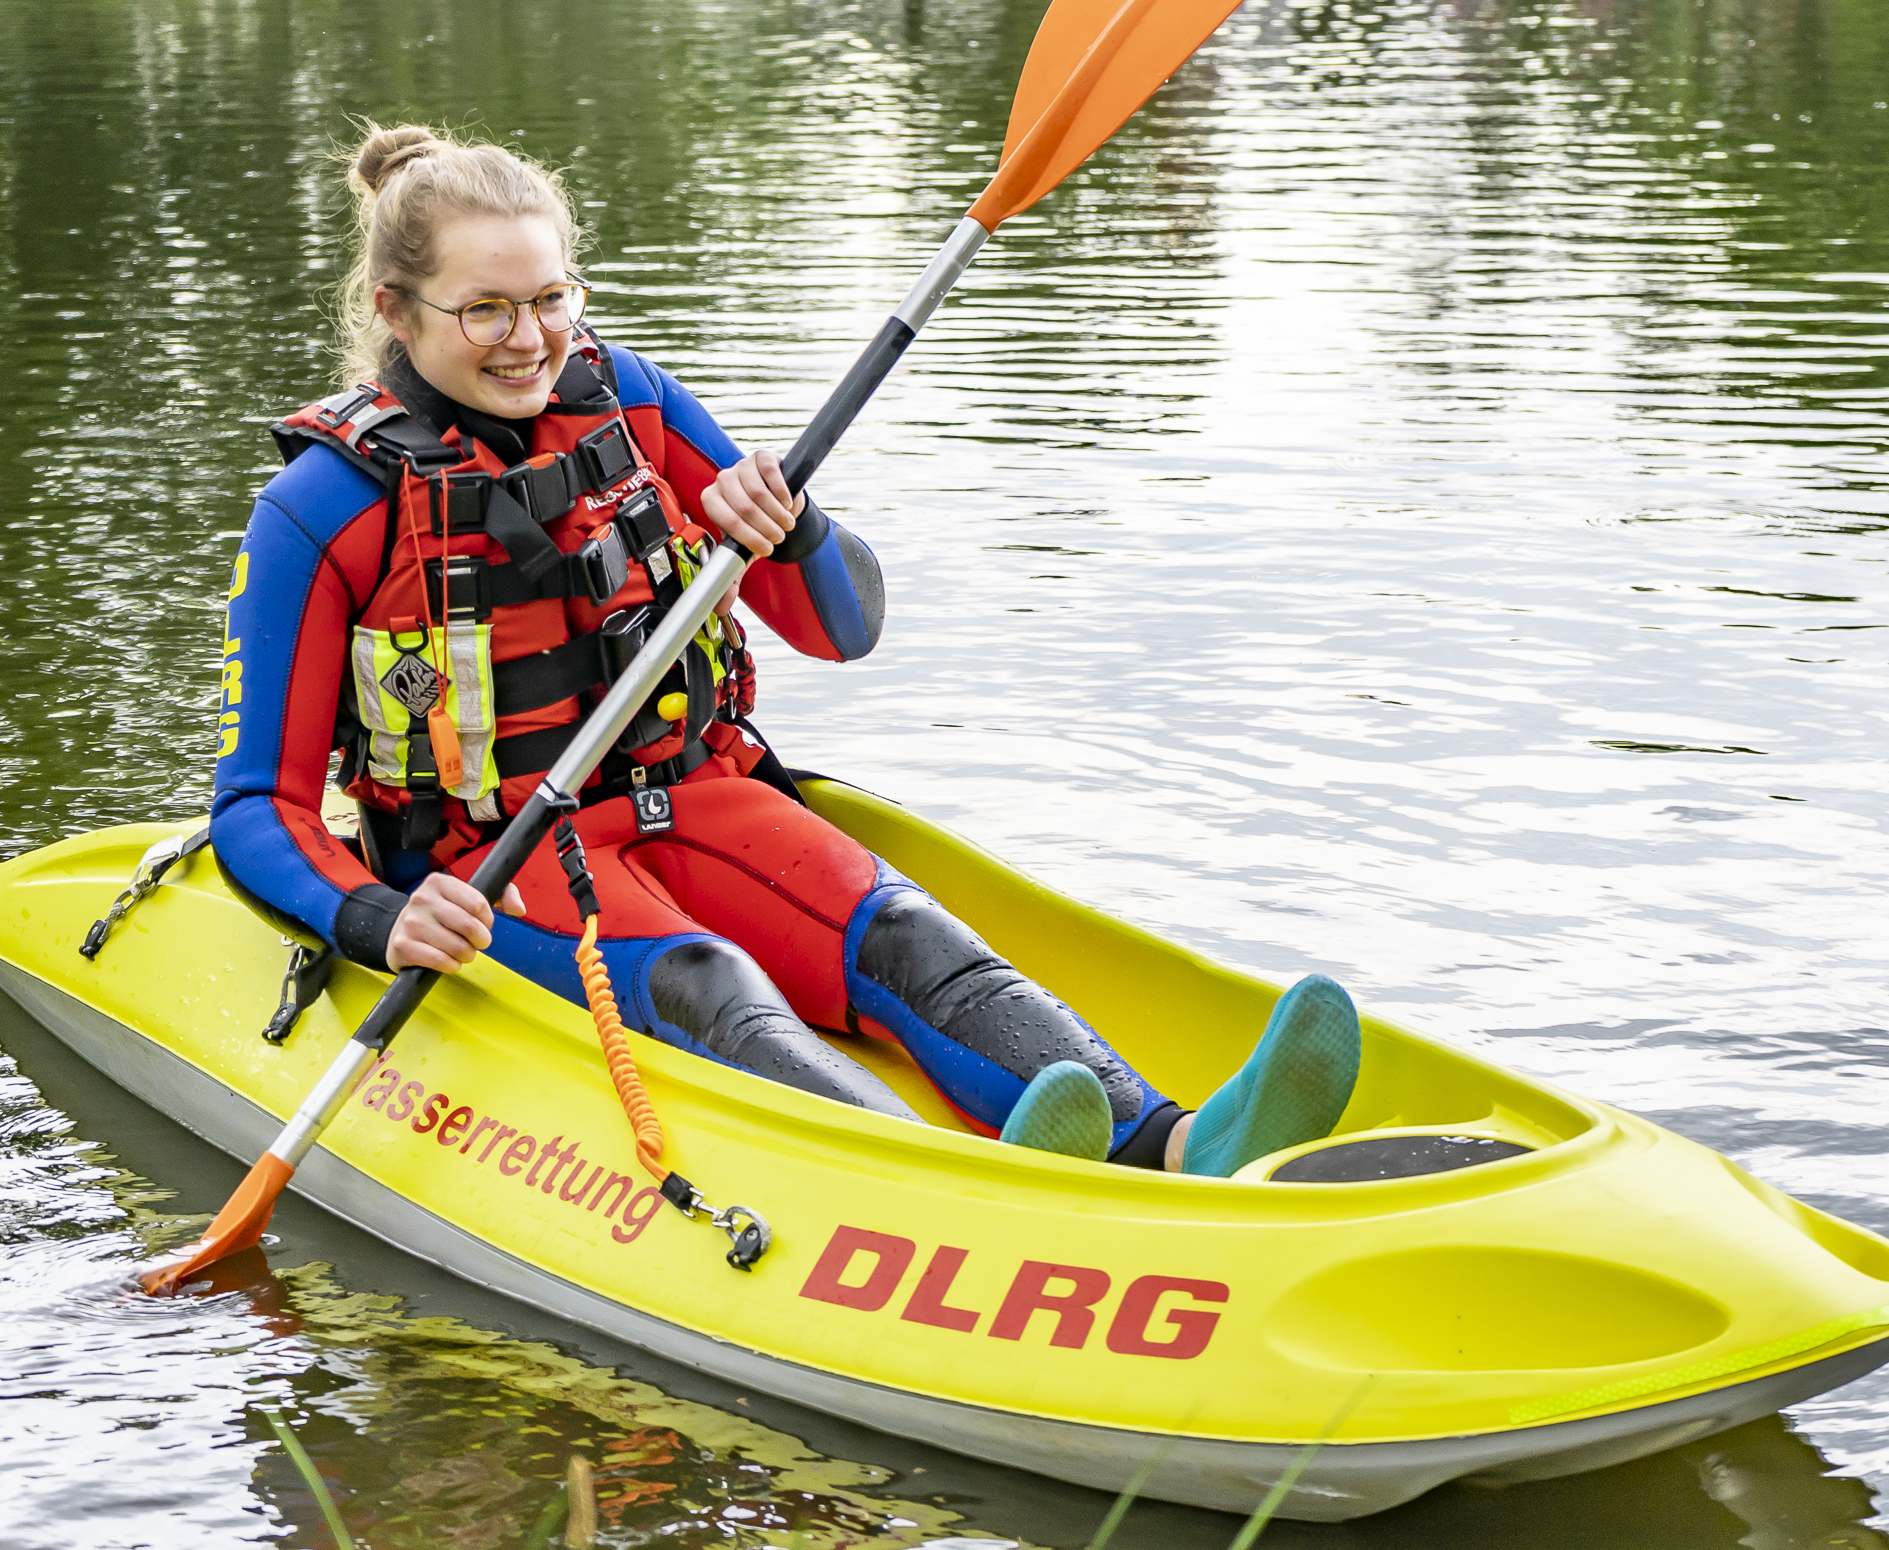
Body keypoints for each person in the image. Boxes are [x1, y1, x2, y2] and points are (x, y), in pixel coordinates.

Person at [210, 125, 1361, 1174]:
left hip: (695, 797)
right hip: (502, 855)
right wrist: (376, 916)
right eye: (486, 310)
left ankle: (1169, 1141)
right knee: (712, 985)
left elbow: (843, 626)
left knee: (904, 934)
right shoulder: (324, 507)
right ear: (396, 309)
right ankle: (947, 1184)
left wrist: (791, 527)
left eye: (551, 297)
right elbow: (257, 803)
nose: (531, 340)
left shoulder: (633, 406)